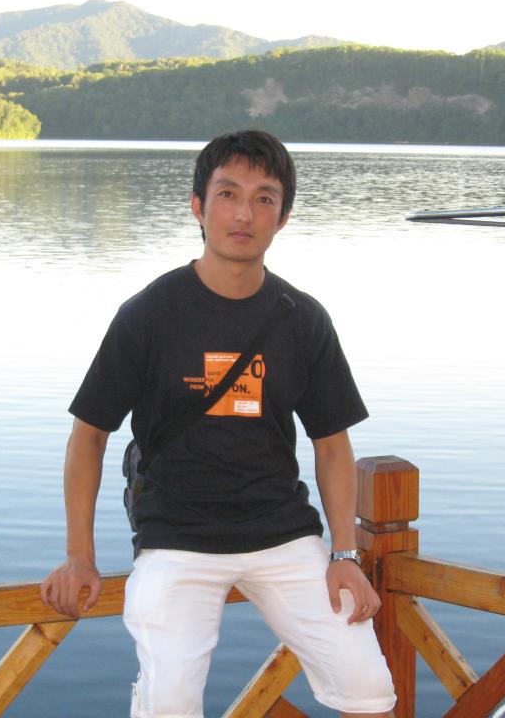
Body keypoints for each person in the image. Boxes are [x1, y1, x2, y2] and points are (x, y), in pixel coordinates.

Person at [41, 130, 396, 718]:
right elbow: (89, 436)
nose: (244, 214)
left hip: (282, 532)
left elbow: (332, 446)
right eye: (228, 194)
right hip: (175, 536)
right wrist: (81, 555)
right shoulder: (148, 315)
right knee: (171, 702)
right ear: (198, 207)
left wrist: (345, 555)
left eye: (264, 198)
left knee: (369, 689)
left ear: (283, 218)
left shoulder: (302, 319)